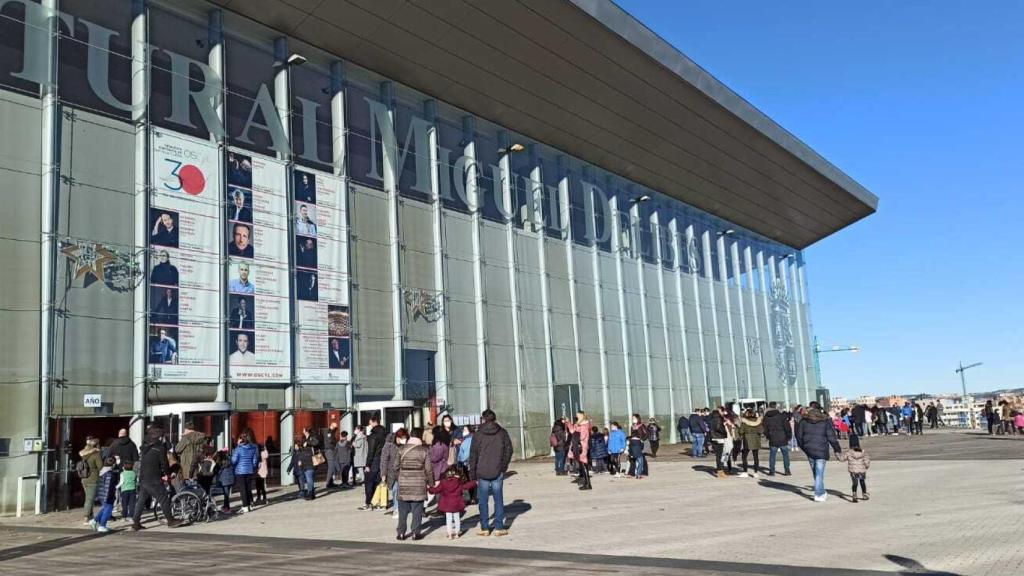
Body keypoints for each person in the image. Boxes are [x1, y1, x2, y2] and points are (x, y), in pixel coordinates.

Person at [467, 409, 513, 537]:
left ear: (483, 419)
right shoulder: (502, 433)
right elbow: (509, 450)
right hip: (497, 470)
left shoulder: (478, 434)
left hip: (482, 471)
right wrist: (503, 466)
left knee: (483, 500)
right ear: (495, 418)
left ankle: (485, 527)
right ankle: (499, 527)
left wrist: (472, 473)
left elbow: (473, 455)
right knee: (498, 499)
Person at [131, 426, 179, 530]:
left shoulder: (145, 447)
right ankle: (171, 520)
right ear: (159, 436)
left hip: (143, 477)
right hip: (154, 478)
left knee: (141, 500)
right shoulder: (159, 448)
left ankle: (135, 523)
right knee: (164, 498)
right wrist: (168, 474)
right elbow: (164, 463)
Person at [796, 402, 843, 502]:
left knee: (816, 472)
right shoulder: (825, 422)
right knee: (819, 473)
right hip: (821, 450)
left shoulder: (803, 421)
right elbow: (832, 437)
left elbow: (798, 437)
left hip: (809, 449)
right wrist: (837, 449)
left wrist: (804, 447)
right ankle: (819, 493)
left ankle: (820, 490)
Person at [395, 427, 432, 540]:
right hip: (419, 482)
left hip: (404, 482)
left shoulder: (401, 449)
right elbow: (428, 469)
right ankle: (415, 532)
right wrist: (431, 482)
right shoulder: (424, 450)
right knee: (417, 509)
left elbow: (395, 467)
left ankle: (401, 532)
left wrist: (400, 478)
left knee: (402, 510)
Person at [429, 465, 478, 540]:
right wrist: (475, 482)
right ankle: (457, 533)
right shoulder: (458, 482)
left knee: (448, 519)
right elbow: (466, 486)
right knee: (456, 518)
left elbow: (436, 490)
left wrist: (429, 489)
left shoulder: (443, 482)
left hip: (447, 505)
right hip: (456, 504)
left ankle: (449, 534)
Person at [360, 416, 387, 510]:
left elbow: (371, 451)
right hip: (382, 460)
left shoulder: (373, 435)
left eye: (370, 422)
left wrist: (367, 464)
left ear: (372, 422)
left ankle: (369, 502)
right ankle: (379, 501)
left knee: (369, 482)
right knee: (379, 481)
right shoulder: (385, 434)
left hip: (374, 461)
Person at [232, 431, 260, 511]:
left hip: (240, 471)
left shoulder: (238, 449)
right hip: (249, 470)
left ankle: (245, 506)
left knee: (242, 489)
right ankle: (249, 505)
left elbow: (234, 460)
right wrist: (252, 467)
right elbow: (255, 461)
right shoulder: (253, 448)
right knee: (248, 488)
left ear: (240, 440)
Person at [78, 436, 103, 525]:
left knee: (88, 498)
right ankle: (86, 517)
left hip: (84, 478)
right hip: (92, 478)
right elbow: (100, 467)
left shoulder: (83, 453)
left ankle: (91, 516)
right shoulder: (96, 455)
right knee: (90, 499)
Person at [91, 456, 119, 533]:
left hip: (102, 494)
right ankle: (102, 525)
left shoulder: (102, 471)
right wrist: (109, 496)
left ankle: (95, 520)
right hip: (108, 495)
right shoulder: (110, 473)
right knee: (108, 509)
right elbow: (108, 486)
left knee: (105, 508)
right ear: (113, 464)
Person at [763, 402, 792, 476]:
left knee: (772, 455)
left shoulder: (766, 417)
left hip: (772, 438)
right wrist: (789, 436)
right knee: (785, 454)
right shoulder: (781, 416)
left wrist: (768, 436)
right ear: (776, 407)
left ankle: (772, 471)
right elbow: (787, 427)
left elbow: (765, 429)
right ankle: (787, 470)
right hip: (782, 437)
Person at [839, 435, 871, 503]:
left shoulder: (849, 452)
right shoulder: (862, 452)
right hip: (861, 470)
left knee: (855, 483)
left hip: (853, 471)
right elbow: (866, 460)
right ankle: (864, 494)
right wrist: (867, 466)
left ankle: (854, 495)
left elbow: (842, 459)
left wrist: (837, 454)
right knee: (862, 482)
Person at [566, 412, 592, 489]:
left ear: (582, 416)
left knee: (583, 462)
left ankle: (587, 484)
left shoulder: (584, 425)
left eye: (578, 415)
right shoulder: (579, 424)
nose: (577, 417)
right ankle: (586, 482)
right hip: (578, 445)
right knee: (582, 463)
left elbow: (583, 436)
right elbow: (572, 431)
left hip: (582, 446)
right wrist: (568, 423)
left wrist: (576, 434)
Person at [380, 430, 402, 515]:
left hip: (402, 472)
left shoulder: (403, 446)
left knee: (398, 490)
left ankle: (399, 508)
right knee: (395, 490)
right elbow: (384, 461)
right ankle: (396, 508)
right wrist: (383, 474)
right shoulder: (388, 447)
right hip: (392, 473)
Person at [738, 409, 764, 478]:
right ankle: (755, 472)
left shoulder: (744, 422)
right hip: (756, 440)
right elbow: (761, 431)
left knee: (744, 456)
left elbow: (740, 431)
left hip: (747, 441)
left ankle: (745, 472)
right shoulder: (758, 421)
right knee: (756, 457)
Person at [298, 426, 322, 500]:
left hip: (311, 461)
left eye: (303, 429)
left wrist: (308, 443)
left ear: (306, 431)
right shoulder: (303, 439)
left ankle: (310, 493)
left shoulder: (312, 438)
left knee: (309, 478)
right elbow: (301, 451)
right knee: (308, 478)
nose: (302, 431)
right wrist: (300, 460)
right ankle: (311, 494)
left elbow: (317, 443)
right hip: (304, 461)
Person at [708, 406, 729, 479]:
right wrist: (725, 432)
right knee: (719, 456)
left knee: (718, 455)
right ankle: (720, 471)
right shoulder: (719, 419)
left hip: (713, 438)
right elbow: (719, 428)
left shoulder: (711, 419)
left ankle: (720, 471)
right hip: (719, 438)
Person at [323, 422, 340, 489]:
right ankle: (327, 483)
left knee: (332, 466)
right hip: (329, 450)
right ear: (331, 426)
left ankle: (330, 483)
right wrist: (336, 441)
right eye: (335, 427)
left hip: (331, 450)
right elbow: (330, 441)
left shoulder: (331, 432)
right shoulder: (328, 432)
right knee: (331, 467)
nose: (336, 429)